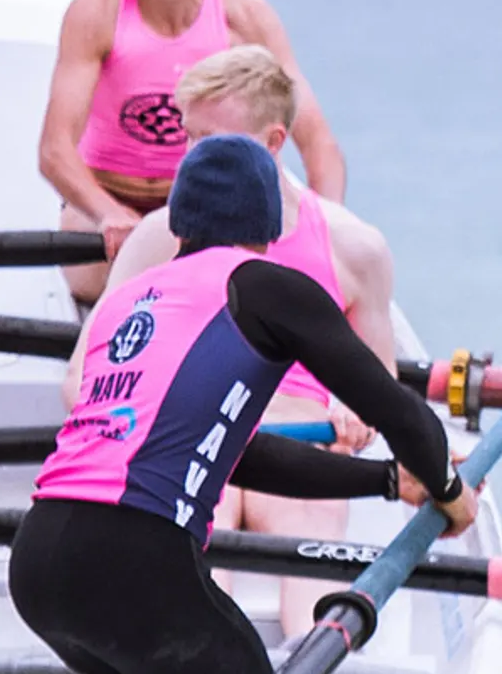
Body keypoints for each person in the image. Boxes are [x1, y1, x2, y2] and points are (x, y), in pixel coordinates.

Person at [9, 135, 475, 674]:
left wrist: (387, 481)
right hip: (131, 559)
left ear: (176, 223)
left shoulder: (126, 301)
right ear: (271, 228)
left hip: (38, 565)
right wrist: (447, 487)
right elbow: (401, 413)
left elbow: (234, 455)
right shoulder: (263, 286)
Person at [79, 43, 399, 636]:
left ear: (274, 143)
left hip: (303, 447)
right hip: (196, 438)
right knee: (184, 573)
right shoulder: (158, 237)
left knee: (312, 590)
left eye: (208, 142)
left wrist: (352, 412)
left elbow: (379, 389)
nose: (187, 161)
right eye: (187, 137)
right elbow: (82, 378)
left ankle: (315, 669)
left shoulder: (354, 247)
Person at [37, 0, 347, 304]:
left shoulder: (247, 20)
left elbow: (319, 145)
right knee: (102, 273)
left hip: (210, 204)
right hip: (104, 208)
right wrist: (109, 215)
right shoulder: (94, 13)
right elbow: (55, 151)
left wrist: (326, 232)